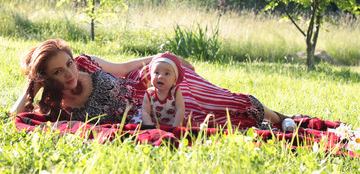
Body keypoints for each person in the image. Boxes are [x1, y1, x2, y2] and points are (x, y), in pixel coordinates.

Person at [11, 39, 305, 129]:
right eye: (58, 72)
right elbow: (16, 115)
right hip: (148, 116)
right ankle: (269, 122)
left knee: (219, 100)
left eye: (69, 64)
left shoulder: (88, 62)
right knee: (211, 121)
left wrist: (160, 58)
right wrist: (30, 86)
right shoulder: (55, 106)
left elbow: (126, 68)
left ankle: (282, 118)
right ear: (45, 79)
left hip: (150, 85)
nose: (70, 74)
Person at [140, 52, 185, 127]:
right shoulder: (149, 93)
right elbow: (145, 112)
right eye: (156, 72)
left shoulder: (175, 92)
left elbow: (180, 110)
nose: (160, 76)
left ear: (175, 80)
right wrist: (149, 126)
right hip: (154, 123)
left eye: (167, 74)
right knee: (139, 121)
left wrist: (176, 127)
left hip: (173, 123)